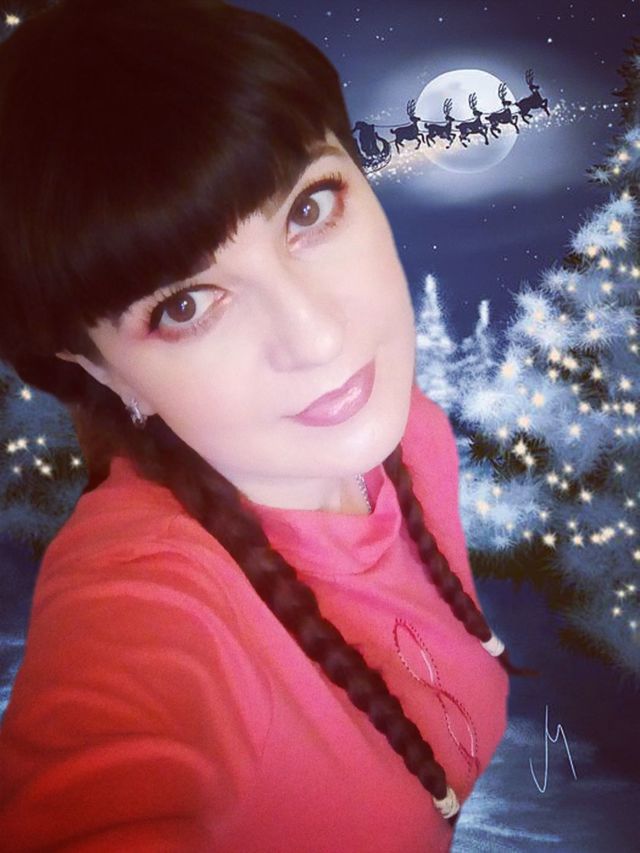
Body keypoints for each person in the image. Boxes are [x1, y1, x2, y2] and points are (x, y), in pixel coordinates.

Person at [0, 1, 532, 850]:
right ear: (99, 371)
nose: (317, 336)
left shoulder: (410, 434)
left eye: (310, 209)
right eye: (185, 304)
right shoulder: (143, 611)